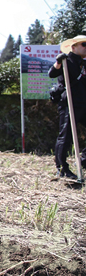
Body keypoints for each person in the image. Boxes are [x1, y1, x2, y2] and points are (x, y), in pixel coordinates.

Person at [48, 34, 86, 180]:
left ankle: (83, 161)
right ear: (74, 47)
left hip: (83, 103)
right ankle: (62, 168)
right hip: (69, 103)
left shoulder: (84, 63)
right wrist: (58, 62)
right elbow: (52, 73)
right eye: (84, 44)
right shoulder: (66, 61)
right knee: (66, 136)